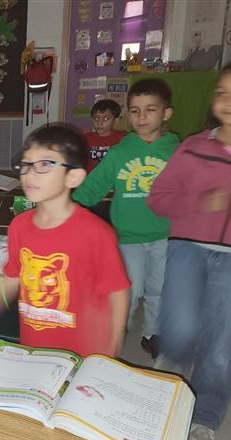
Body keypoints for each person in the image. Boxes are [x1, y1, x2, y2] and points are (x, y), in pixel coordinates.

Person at [147, 54, 231, 440]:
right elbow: (158, 199)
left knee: (222, 342)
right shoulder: (195, 147)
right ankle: (165, 391)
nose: (229, 100)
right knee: (178, 331)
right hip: (187, 248)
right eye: (222, 92)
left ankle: (206, 415)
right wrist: (199, 204)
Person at [1, 125, 130, 357]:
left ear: (74, 176)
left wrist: (113, 342)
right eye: (25, 164)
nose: (29, 173)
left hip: (83, 350)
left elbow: (117, 290)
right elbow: (15, 274)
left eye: (45, 165)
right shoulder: (18, 226)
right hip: (33, 343)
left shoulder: (95, 233)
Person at [73, 79, 180, 358]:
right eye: (134, 111)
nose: (141, 117)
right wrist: (68, 207)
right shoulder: (121, 151)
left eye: (150, 110)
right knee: (129, 290)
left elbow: (189, 188)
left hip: (165, 235)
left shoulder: (176, 150)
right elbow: (95, 185)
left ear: (166, 113)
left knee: (159, 289)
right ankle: (118, 330)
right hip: (128, 236)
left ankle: (151, 333)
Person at [85, 99, 126, 173]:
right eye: (96, 118)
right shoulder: (86, 138)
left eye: (106, 118)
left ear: (116, 120)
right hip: (91, 180)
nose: (100, 122)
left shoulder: (123, 138)